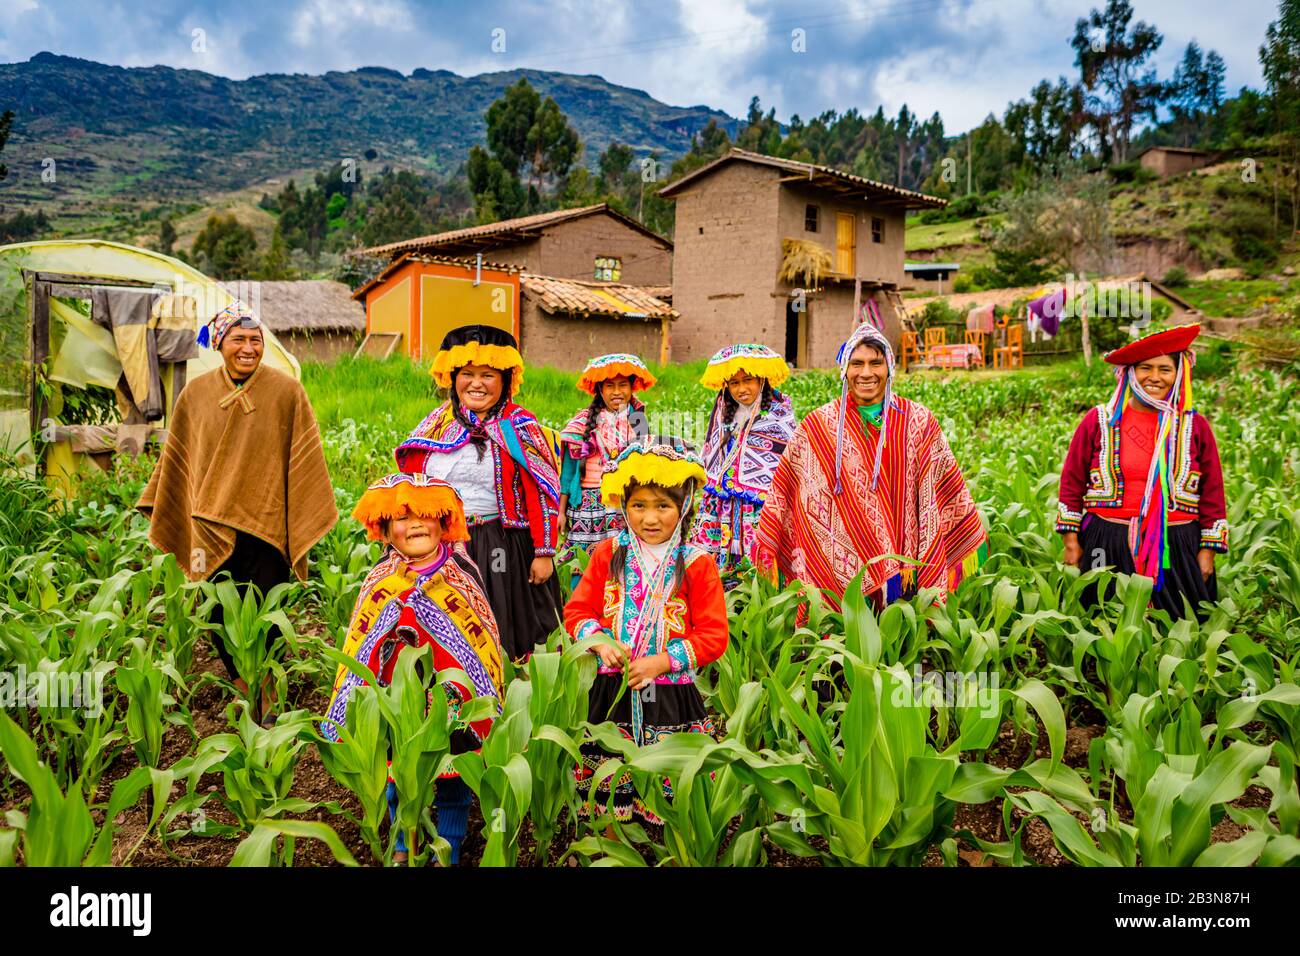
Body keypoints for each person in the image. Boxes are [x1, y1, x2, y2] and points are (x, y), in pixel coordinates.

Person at [137, 301, 337, 723]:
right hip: (206, 527)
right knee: (217, 613)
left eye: (256, 340)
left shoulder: (286, 392)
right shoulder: (197, 394)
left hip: (266, 527)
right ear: (220, 343)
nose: (248, 348)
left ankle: (267, 695)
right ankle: (243, 686)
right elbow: (181, 462)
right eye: (238, 339)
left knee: (266, 611)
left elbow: (303, 460)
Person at [323, 473, 504, 865]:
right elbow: (361, 643)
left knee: (454, 778)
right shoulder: (380, 582)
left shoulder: (462, 577)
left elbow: (483, 641)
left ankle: (449, 849)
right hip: (394, 702)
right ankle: (403, 843)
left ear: (445, 522)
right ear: (385, 531)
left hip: (452, 702)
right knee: (395, 775)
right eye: (403, 518)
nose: (417, 524)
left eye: (426, 514)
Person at [753, 322, 987, 610]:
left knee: (900, 639)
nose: (866, 373)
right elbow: (788, 490)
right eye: (857, 363)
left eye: (876, 363)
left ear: (889, 368)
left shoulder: (918, 422)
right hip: (835, 567)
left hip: (905, 571)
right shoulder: (818, 426)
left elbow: (943, 488)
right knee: (844, 641)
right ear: (845, 370)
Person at [563, 442, 728, 824]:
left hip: (670, 694)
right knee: (606, 788)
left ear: (683, 506)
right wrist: (600, 641)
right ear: (623, 505)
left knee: (667, 794)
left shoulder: (696, 563)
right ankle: (610, 845)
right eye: (638, 505)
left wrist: (663, 661)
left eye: (662, 506)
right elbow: (577, 611)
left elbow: (714, 634)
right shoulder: (609, 553)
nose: (649, 518)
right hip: (610, 690)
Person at [395, 325, 562, 661]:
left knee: (499, 624)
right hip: (439, 546)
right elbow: (413, 485)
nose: (476, 383)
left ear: (505, 380)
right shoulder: (437, 424)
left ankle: (504, 695)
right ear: (453, 377)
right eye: (467, 374)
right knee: (443, 625)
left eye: (487, 375)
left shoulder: (520, 426)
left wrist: (543, 552)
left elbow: (542, 492)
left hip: (499, 546)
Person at [1056, 323, 1227, 620]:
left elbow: (1212, 490)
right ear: (1129, 373)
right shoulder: (1100, 421)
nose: (1155, 377)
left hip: (1177, 545)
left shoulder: (1193, 425)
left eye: (1165, 369)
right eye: (1145, 368)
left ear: (1179, 375)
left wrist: (1207, 550)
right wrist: (1071, 542)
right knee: (1103, 622)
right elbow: (1072, 480)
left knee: (1181, 626)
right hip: (1106, 541)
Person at [689, 344, 796, 584]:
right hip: (723, 504)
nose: (741, 389)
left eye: (748, 380)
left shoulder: (778, 416)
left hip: (759, 505)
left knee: (759, 561)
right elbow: (712, 454)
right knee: (718, 563)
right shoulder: (722, 413)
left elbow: (787, 461)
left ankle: (760, 598)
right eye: (734, 383)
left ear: (762, 380)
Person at [558, 353, 655, 559]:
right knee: (582, 564)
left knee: (621, 560)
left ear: (632, 388)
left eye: (623, 385)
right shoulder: (581, 423)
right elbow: (567, 473)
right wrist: (560, 512)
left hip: (623, 502)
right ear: (600, 390)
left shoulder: (638, 420)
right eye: (610, 386)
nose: (617, 392)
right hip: (586, 505)